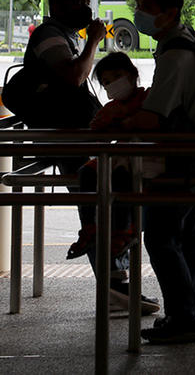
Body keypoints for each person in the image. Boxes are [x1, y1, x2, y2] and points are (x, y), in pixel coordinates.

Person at [22, 0, 155, 313]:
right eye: (81, 2)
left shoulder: (63, 35)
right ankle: (114, 287)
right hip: (66, 138)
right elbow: (74, 76)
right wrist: (94, 41)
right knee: (98, 206)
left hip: (75, 136)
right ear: (61, 6)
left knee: (103, 205)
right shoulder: (50, 35)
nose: (87, 8)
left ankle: (117, 284)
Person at [122, 0, 195, 344]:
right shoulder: (187, 43)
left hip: (183, 160)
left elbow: (154, 117)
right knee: (185, 235)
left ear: (170, 11)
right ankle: (187, 314)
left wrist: (121, 117)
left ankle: (184, 317)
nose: (139, 14)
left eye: (146, 7)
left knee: (162, 236)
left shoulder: (176, 54)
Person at [67, 53, 163, 266]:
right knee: (86, 172)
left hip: (144, 159)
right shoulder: (110, 108)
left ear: (133, 75)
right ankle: (90, 227)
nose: (113, 84)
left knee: (121, 177)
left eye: (118, 76)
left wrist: (125, 120)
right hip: (121, 156)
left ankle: (124, 229)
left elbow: (152, 122)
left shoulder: (148, 98)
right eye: (107, 82)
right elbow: (96, 132)